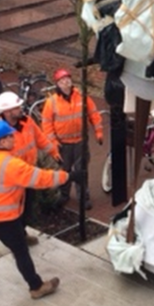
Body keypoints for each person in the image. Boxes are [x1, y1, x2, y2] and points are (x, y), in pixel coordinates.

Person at [0, 120, 83, 301]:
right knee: (20, 251)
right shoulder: (11, 164)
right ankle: (36, 287)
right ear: (2, 141)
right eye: (10, 136)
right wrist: (69, 176)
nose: (14, 138)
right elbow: (41, 178)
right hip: (3, 218)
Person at [0, 91, 62, 246]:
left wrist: (54, 152)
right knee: (14, 211)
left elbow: (40, 139)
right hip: (13, 180)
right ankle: (16, 239)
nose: (20, 109)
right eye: (16, 107)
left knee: (27, 209)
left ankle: (21, 234)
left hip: (29, 175)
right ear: (7, 112)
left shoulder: (28, 122)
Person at [41, 68, 104, 210]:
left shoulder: (82, 97)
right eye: (62, 80)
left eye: (68, 79)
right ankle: (64, 195)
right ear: (57, 84)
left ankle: (84, 198)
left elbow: (94, 114)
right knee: (65, 171)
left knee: (82, 170)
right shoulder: (52, 102)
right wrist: (54, 143)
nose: (66, 82)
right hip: (63, 145)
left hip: (81, 141)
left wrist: (98, 131)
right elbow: (47, 124)